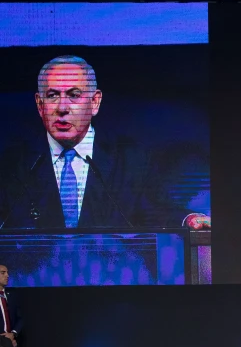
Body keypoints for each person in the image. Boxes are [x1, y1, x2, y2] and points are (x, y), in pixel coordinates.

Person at [0, 55, 211, 230]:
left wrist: (188, 219)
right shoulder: (13, 163)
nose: (62, 107)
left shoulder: (131, 160)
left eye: (74, 95)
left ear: (95, 102)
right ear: (39, 104)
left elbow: (156, 211)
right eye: (53, 95)